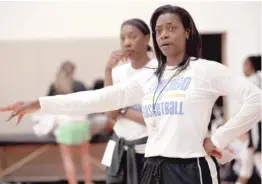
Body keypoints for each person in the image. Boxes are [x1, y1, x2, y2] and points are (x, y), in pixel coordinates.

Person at [0, 5, 261, 184]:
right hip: (153, 167)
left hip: (191, 168)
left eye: (171, 28)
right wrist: (39, 104)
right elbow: (97, 98)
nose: (163, 35)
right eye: (159, 30)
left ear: (187, 31)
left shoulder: (205, 70)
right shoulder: (149, 77)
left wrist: (218, 138)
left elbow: (256, 99)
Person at [103, 18, 155, 184]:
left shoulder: (159, 71)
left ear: (147, 38)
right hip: (120, 149)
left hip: (148, 151)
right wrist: (107, 70)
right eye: (123, 38)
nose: (127, 43)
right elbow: (110, 113)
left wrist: (123, 109)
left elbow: (154, 119)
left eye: (133, 37)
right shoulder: (118, 73)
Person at [47, 61, 93, 184]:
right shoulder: (80, 85)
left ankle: (73, 182)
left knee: (68, 159)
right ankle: (88, 181)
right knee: (85, 156)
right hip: (82, 124)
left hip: (65, 126)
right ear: (74, 71)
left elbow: (48, 108)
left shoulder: (55, 87)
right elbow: (90, 103)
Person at [235, 55, 261, 184]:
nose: (243, 68)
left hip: (256, 132)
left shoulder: (253, 81)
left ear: (250, 66)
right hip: (253, 133)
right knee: (246, 168)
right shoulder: (257, 79)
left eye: (244, 64)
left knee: (256, 160)